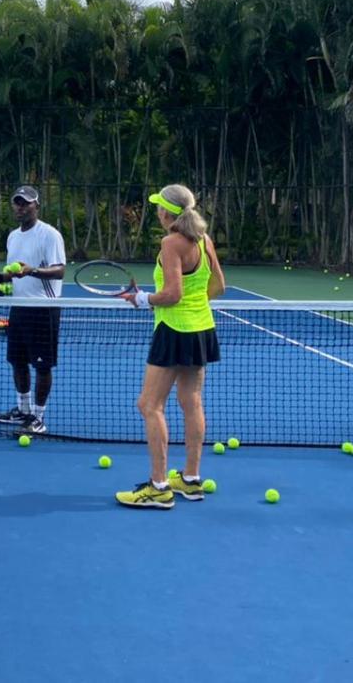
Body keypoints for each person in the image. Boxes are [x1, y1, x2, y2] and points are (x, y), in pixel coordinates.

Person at [114, 184, 225, 510]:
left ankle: (159, 487)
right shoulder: (204, 241)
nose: (157, 213)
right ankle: (190, 480)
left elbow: (173, 294)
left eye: (159, 208)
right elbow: (218, 285)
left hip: (174, 330)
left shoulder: (171, 243)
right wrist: (192, 305)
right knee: (191, 400)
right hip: (201, 327)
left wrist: (143, 298)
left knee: (149, 405)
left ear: (167, 213)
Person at [0, 185, 66, 436]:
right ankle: (22, 409)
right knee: (17, 362)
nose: (21, 207)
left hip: (43, 308)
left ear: (36, 206)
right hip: (19, 309)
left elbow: (60, 270)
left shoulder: (49, 235)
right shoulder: (12, 237)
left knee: (42, 366)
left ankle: (38, 417)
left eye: (26, 203)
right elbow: (13, 274)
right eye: (17, 203)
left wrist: (33, 270)